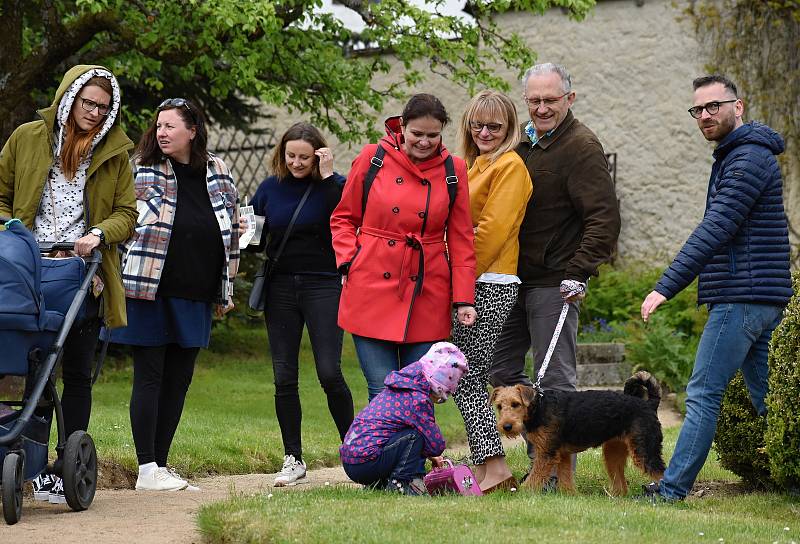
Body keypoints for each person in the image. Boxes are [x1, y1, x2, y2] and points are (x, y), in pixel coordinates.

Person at [639, 75, 792, 502]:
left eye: (714, 106)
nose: (705, 115)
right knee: (769, 402)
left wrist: (665, 286)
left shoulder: (745, 159)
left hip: (741, 299)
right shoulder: (741, 155)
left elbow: (718, 228)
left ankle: (671, 491)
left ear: (738, 106)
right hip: (760, 298)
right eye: (698, 110)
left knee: (704, 393)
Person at [0, 65, 137, 503]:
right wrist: (12, 226)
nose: (94, 113)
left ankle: (65, 459)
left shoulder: (114, 154)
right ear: (70, 97)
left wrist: (98, 234)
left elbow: (127, 213)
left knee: (75, 370)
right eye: (87, 103)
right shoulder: (27, 138)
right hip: (25, 266)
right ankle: (25, 453)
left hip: (82, 273)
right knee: (27, 363)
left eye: (103, 106)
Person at [489, 62, 620, 478]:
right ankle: (516, 465)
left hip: (555, 280)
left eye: (551, 99)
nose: (542, 108)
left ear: (569, 98)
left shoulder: (581, 146)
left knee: (556, 380)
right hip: (512, 277)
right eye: (534, 100)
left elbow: (604, 217)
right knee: (499, 369)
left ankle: (551, 476)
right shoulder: (521, 144)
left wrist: (579, 270)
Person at [110, 98, 240, 492]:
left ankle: (160, 466)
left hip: (198, 292)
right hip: (148, 288)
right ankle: (146, 466)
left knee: (180, 379)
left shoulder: (218, 170)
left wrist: (226, 288)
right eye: (159, 125)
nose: (162, 132)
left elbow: (232, 231)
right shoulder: (142, 169)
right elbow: (122, 223)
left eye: (170, 126)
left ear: (192, 130)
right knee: (150, 376)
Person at [330, 93, 477, 401]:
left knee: (418, 392)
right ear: (402, 128)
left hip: (426, 291)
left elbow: (462, 238)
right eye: (417, 134)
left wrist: (464, 299)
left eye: (433, 135)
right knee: (381, 389)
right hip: (371, 283)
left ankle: (410, 452)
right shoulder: (373, 157)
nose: (424, 142)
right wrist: (347, 260)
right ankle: (387, 451)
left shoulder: (455, 170)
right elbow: (343, 218)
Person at [248, 122, 354, 487]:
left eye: (304, 157)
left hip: (323, 284)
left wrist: (326, 177)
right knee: (283, 376)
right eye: (290, 155)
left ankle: (355, 448)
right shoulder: (268, 189)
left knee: (329, 372)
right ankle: (292, 457)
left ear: (319, 155)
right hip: (280, 288)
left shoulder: (333, 186)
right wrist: (243, 232)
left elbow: (351, 214)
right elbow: (255, 238)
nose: (296, 163)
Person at [450, 90, 532, 493]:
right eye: (477, 124)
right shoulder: (473, 164)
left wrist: (456, 282)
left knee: (466, 376)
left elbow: (491, 232)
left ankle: (496, 467)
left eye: (494, 126)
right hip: (474, 279)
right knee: (466, 376)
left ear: (509, 128)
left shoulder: (510, 165)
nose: (485, 131)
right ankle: (486, 467)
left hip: (489, 281)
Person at [340, 342, 468, 495]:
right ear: (440, 387)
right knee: (415, 436)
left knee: (403, 434)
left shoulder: (402, 388)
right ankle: (400, 482)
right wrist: (431, 452)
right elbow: (436, 444)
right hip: (366, 463)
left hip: (352, 460)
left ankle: (378, 482)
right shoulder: (418, 400)